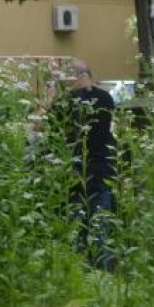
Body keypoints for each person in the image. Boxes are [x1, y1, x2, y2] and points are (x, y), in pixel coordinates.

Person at [52, 59, 116, 269]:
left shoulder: (68, 102)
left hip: (80, 175)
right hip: (98, 173)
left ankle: (87, 276)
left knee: (81, 235)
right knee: (98, 234)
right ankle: (100, 277)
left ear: (76, 77)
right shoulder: (105, 98)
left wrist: (52, 96)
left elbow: (49, 128)